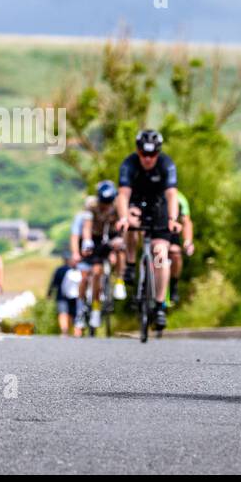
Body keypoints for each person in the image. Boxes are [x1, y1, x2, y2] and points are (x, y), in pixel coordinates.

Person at [114, 129, 181, 330]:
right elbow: (123, 196)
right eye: (144, 154)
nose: (148, 159)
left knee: (161, 254)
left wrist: (172, 219)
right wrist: (123, 217)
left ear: (158, 153)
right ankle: (130, 263)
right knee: (129, 223)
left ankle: (160, 305)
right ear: (138, 151)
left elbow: (172, 196)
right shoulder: (129, 164)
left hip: (159, 206)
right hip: (136, 203)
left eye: (152, 155)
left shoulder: (166, 164)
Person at [80, 180, 125, 328]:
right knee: (96, 272)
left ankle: (119, 280)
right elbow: (87, 226)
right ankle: (95, 308)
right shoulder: (91, 205)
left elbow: (123, 224)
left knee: (121, 250)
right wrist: (86, 240)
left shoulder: (118, 204)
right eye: (103, 203)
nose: (105, 206)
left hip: (112, 235)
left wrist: (120, 238)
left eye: (108, 203)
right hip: (97, 238)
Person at [47, 252, 85, 337]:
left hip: (62, 296)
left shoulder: (60, 270)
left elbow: (54, 283)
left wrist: (49, 293)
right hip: (76, 296)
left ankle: (65, 330)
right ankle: (75, 331)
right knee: (73, 313)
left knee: (63, 313)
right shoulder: (80, 270)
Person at [167, 190, 195, 305]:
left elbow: (186, 222)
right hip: (153, 230)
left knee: (176, 254)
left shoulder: (180, 199)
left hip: (171, 231)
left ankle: (173, 285)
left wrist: (188, 242)